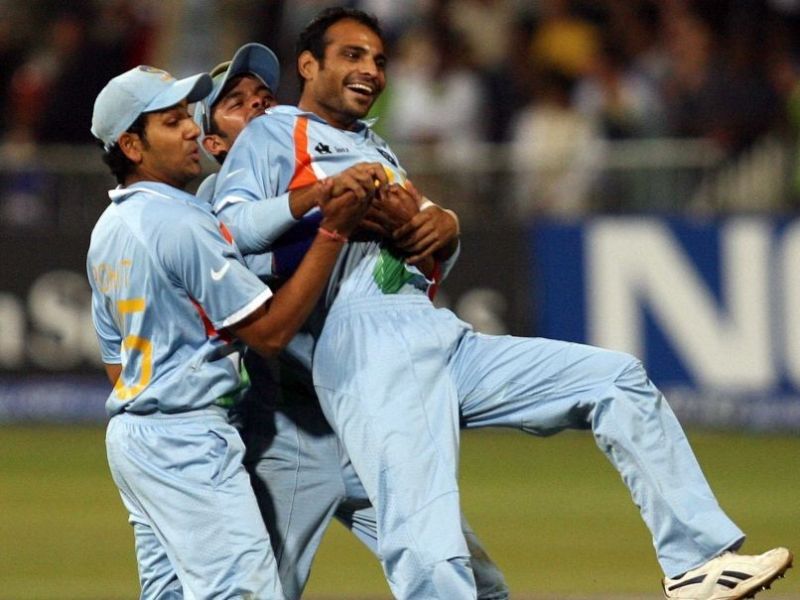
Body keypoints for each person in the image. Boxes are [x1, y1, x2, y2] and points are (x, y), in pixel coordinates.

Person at [212, 8, 793, 600]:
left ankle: (696, 562)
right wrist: (322, 196)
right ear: (309, 66)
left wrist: (445, 232)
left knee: (616, 379)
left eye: (380, 60)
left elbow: (417, 258)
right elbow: (229, 227)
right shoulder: (275, 132)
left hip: (434, 330)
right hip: (364, 343)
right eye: (352, 56)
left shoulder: (375, 147)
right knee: (427, 541)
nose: (371, 70)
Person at [196, 42, 509, 600]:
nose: (260, 109)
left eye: (265, 97)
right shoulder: (213, 212)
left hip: (370, 417)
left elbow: (414, 248)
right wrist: (335, 218)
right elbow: (262, 315)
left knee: (473, 584)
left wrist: (442, 223)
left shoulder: (322, 176)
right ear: (214, 143)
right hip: (290, 432)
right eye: (237, 104)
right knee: (257, 590)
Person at [87, 64, 374, 598]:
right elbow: (267, 334)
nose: (192, 129)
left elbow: (114, 361)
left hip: (136, 438)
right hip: (187, 438)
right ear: (131, 145)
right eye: (172, 123)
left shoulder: (110, 228)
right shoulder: (181, 222)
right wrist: (333, 231)